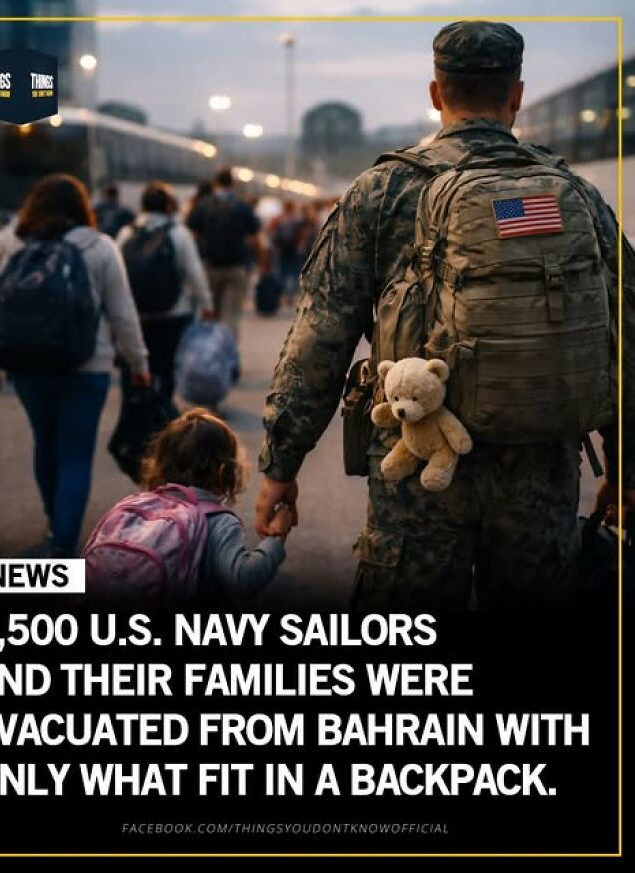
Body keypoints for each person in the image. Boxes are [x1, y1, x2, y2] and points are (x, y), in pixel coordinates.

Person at [255, 20, 635, 611]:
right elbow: (623, 331)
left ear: (437, 93)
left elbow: (319, 338)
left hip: (416, 471)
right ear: (516, 95)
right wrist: (626, 461)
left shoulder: (383, 191)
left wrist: (282, 463)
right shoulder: (571, 196)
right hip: (540, 467)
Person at [0, 173, 150, 556]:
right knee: (76, 454)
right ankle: (63, 543)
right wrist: (139, 362)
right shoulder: (100, 246)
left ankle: (53, 522)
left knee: (45, 443)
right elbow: (123, 313)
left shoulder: (16, 244)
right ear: (81, 207)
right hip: (86, 367)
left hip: (27, 366)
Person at [140, 408, 291, 600]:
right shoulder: (218, 522)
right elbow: (242, 580)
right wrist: (275, 540)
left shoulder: (139, 511)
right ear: (223, 472)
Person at [117, 180, 214, 417]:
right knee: (165, 367)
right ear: (170, 206)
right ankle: (162, 414)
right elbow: (194, 273)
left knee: (136, 367)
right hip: (172, 315)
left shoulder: (126, 233)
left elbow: (117, 277)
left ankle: (137, 415)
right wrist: (206, 304)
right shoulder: (178, 234)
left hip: (136, 315)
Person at [187, 167, 264, 346]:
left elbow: (191, 227)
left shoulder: (204, 204)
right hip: (235, 268)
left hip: (210, 267)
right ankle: (227, 356)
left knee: (209, 311)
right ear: (233, 184)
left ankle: (208, 355)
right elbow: (254, 231)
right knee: (231, 315)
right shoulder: (241, 205)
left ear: (216, 183)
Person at [270, 200, 304, 302]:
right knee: (293, 272)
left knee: (281, 271)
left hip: (281, 249)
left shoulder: (278, 219)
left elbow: (272, 233)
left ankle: (281, 293)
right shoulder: (297, 220)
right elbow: (301, 235)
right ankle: (289, 294)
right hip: (293, 249)